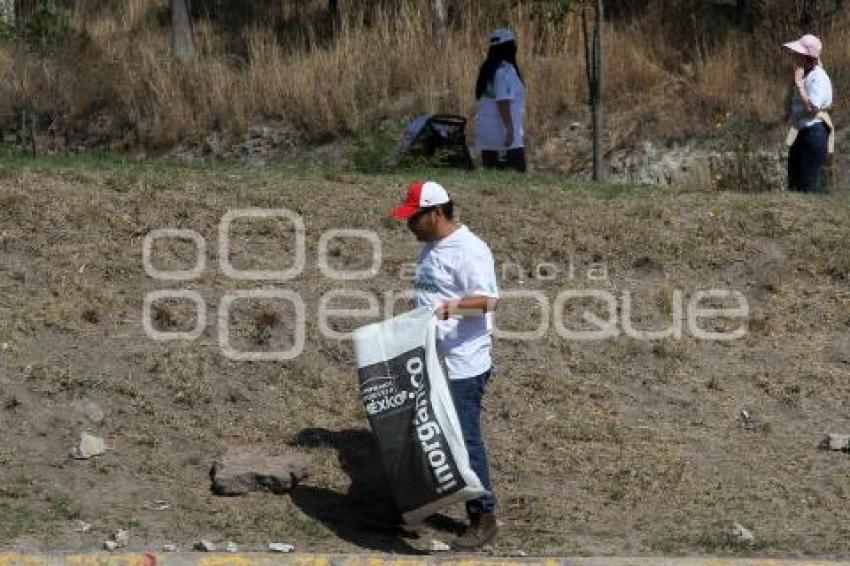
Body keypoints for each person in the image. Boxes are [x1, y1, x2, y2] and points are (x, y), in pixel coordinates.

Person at [391, 180, 500, 550]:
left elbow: (488, 300)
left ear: (436, 213)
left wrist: (450, 308)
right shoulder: (429, 246)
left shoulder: (469, 249)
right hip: (430, 361)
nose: (409, 224)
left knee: (464, 443)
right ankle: (418, 508)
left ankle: (483, 517)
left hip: (462, 366)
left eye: (414, 217)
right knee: (424, 437)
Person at [783, 33, 834, 193]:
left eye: (797, 54)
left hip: (814, 132)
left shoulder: (818, 77)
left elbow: (813, 108)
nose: (794, 57)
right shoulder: (806, 75)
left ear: (806, 56)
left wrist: (799, 85)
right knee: (795, 185)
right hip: (803, 131)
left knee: (808, 187)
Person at [474, 28, 527, 173]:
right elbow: (503, 101)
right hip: (505, 140)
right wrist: (510, 129)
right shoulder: (505, 71)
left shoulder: (487, 70)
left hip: (487, 138)